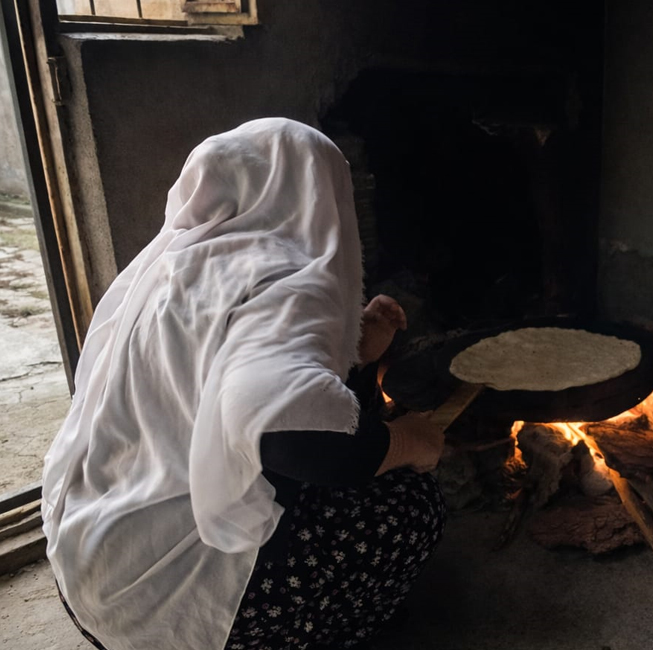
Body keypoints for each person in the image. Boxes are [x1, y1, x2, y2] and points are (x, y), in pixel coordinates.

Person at [41, 118, 446, 650]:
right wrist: (412, 440)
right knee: (411, 506)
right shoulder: (285, 277)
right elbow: (296, 442)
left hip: (91, 571)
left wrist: (353, 352)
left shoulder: (170, 269)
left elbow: (236, 392)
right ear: (319, 197)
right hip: (166, 606)